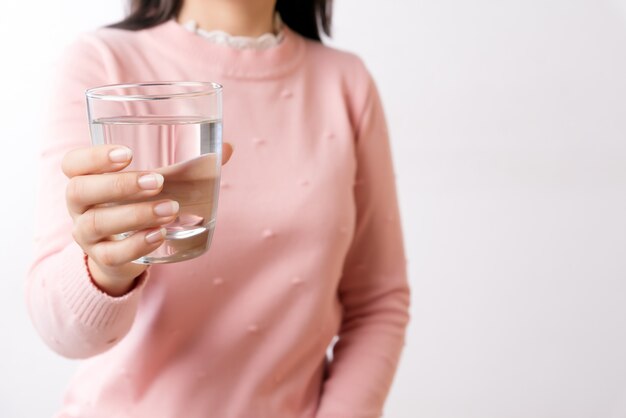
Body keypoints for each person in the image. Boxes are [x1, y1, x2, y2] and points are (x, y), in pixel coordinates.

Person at [26, 0, 410, 416]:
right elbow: (60, 330)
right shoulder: (103, 63)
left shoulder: (346, 82)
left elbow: (378, 302)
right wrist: (106, 269)